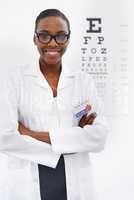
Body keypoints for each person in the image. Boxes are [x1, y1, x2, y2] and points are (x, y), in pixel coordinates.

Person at [0, 9, 108, 200]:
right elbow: (5, 138)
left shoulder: (83, 81)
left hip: (77, 183)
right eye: (44, 35)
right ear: (35, 38)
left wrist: (31, 134)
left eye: (60, 36)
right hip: (27, 182)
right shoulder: (14, 80)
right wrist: (74, 140)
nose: (52, 43)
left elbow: (99, 138)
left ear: (68, 39)